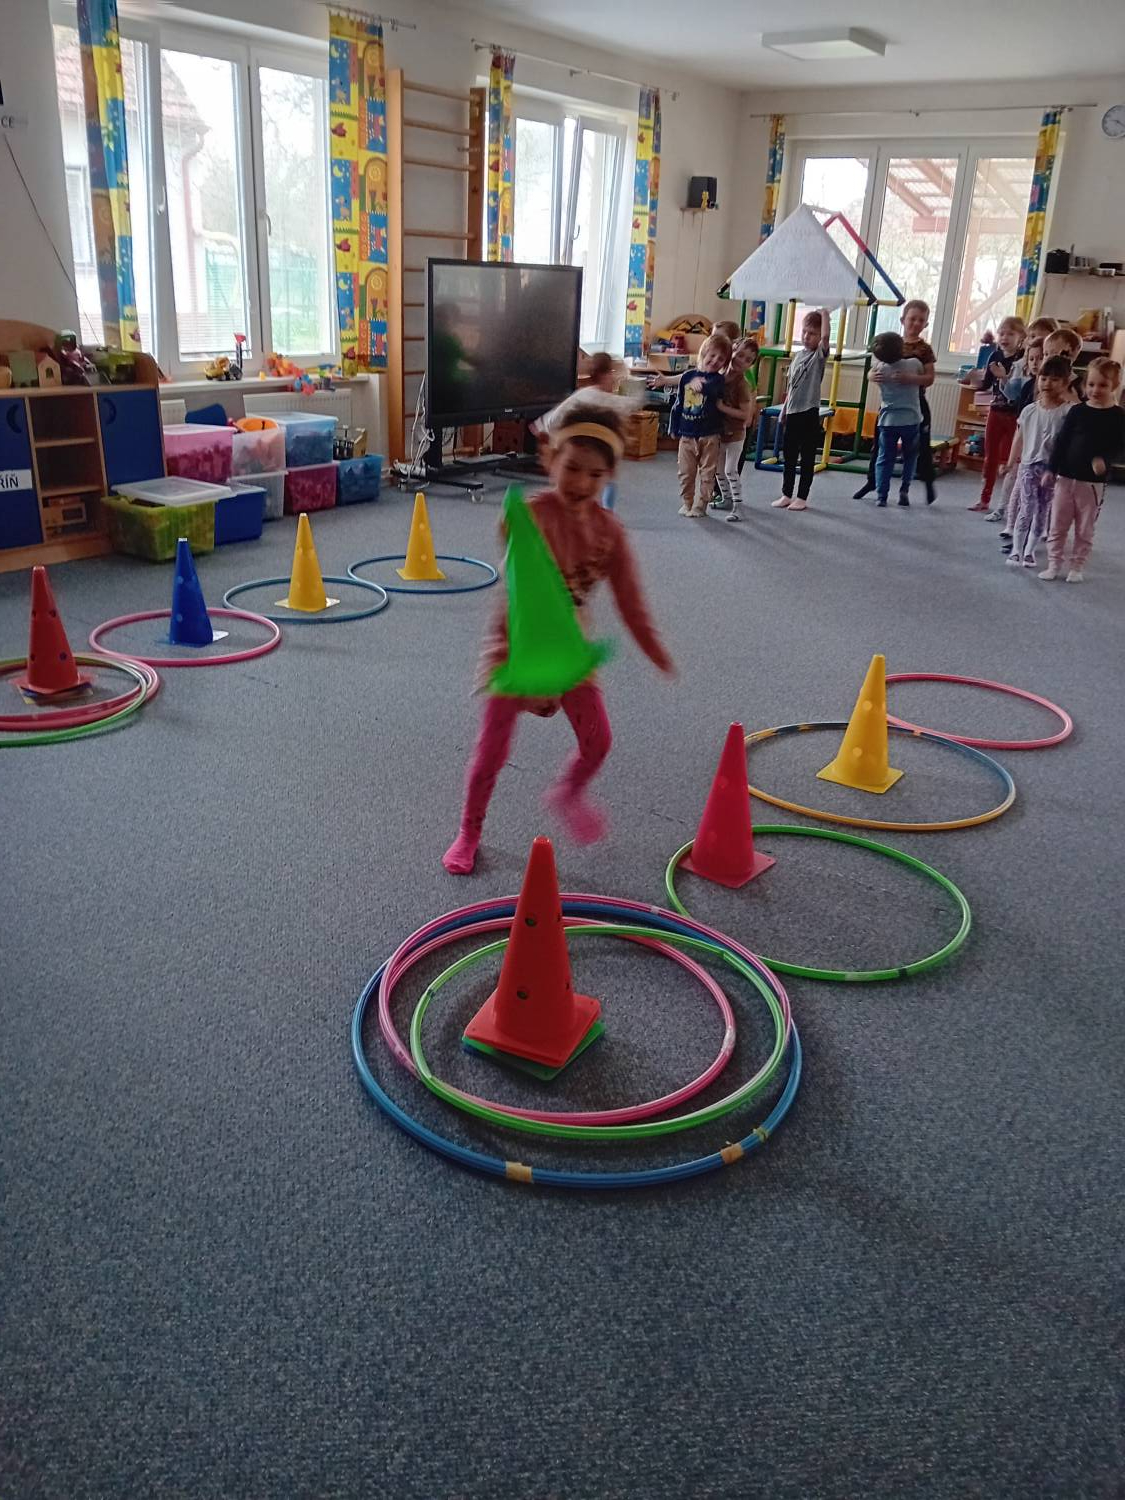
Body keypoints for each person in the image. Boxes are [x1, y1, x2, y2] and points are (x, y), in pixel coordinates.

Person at [442, 400, 674, 875]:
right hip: (515, 650)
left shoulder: (610, 533)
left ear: (610, 476)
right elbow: (518, 576)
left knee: (599, 742)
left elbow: (630, 602)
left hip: (571, 655)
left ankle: (568, 791)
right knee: (491, 752)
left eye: (596, 475)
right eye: (572, 468)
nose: (582, 483)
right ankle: (469, 831)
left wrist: (655, 650)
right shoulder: (530, 514)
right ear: (550, 460)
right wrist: (532, 679)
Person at [1040, 357, 1125, 583]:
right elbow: (1061, 442)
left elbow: (1119, 447)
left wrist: (1105, 460)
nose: (1095, 390)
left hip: (1091, 484)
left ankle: (1077, 566)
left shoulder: (1118, 416)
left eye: (1103, 385)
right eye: (1091, 384)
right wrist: (1051, 469)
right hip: (1065, 478)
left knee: (1085, 528)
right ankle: (1054, 564)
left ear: (1115, 386)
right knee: (1057, 524)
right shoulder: (1077, 411)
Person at [854, 299, 938, 504]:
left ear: (926, 324)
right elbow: (874, 369)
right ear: (903, 320)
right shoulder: (891, 344)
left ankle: (927, 482)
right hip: (890, 406)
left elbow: (929, 378)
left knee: (920, 446)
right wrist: (871, 376)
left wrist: (911, 379)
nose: (916, 323)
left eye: (921, 320)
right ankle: (872, 482)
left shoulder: (924, 350)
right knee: (880, 446)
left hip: (916, 404)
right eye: (912, 319)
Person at [1000, 355, 1071, 569]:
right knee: (1027, 506)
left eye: (1055, 379)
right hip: (1028, 466)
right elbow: (1019, 437)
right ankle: (1016, 550)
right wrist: (1010, 462)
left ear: (1065, 383)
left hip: (1051, 469)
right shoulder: (1029, 410)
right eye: (1044, 378)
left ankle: (1030, 551)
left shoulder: (1067, 412)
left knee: (1042, 509)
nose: (1048, 383)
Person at [960, 314, 1026, 512]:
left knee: (1012, 459)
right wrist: (971, 378)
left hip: (1016, 415)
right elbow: (985, 384)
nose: (1004, 337)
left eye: (1010, 334)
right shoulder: (994, 356)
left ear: (1021, 337)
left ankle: (1009, 503)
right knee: (990, 457)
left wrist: (1005, 377)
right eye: (1002, 333)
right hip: (996, 411)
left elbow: (1022, 390)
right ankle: (984, 499)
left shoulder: (1023, 358)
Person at [772, 309, 829, 512]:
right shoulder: (798, 356)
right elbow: (792, 387)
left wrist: (825, 315)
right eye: (804, 332)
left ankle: (802, 497)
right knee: (789, 455)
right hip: (793, 412)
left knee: (806, 457)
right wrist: (784, 409)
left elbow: (826, 338)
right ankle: (787, 494)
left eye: (812, 333)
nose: (807, 336)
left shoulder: (818, 357)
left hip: (809, 412)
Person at [670, 331, 731, 516]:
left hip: (709, 435)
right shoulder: (687, 376)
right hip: (687, 435)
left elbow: (713, 389)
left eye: (721, 359)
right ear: (704, 352)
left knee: (707, 473)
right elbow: (678, 403)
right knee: (685, 472)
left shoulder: (718, 379)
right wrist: (673, 426)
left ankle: (700, 505)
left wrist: (700, 384)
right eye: (712, 355)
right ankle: (687, 502)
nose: (715, 360)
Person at [992, 337, 1046, 536]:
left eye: (1040, 358)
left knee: (1039, 491)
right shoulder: (1026, 386)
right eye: (1031, 359)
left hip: (1042, 448)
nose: (1035, 363)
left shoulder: (1054, 389)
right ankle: (1010, 522)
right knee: (1015, 481)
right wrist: (1013, 456)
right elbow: (1020, 422)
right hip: (1024, 442)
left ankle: (1035, 527)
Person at [868, 331, 923, 506]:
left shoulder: (879, 369)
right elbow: (923, 376)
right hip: (911, 419)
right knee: (910, 456)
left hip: (888, 421)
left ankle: (881, 496)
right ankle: (904, 489)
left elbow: (872, 371)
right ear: (901, 348)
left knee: (885, 458)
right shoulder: (914, 364)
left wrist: (871, 374)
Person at [714, 337, 759, 522]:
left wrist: (722, 407)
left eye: (748, 360)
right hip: (720, 431)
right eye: (739, 355)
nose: (742, 361)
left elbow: (744, 414)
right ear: (732, 350)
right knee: (718, 469)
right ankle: (726, 498)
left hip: (736, 434)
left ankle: (738, 507)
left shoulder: (742, 384)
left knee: (730, 470)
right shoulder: (720, 375)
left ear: (750, 365)